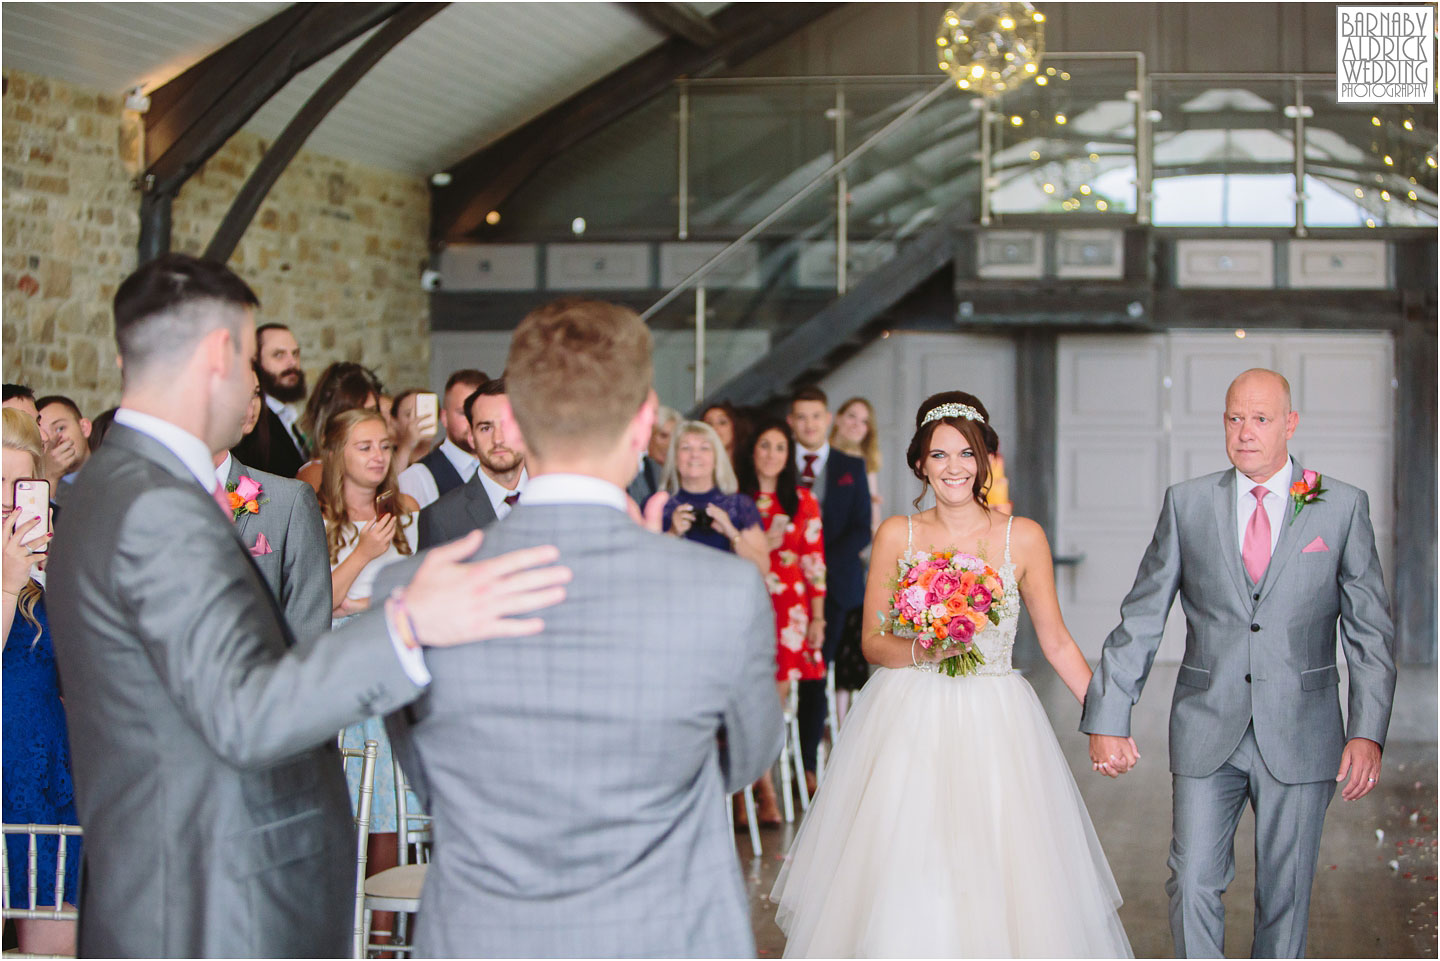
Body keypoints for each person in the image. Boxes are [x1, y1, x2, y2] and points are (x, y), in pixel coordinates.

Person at [45, 253, 572, 957]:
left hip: (188, 883)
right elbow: (244, 709)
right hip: (212, 902)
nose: (254, 383)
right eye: (250, 358)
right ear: (218, 353)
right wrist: (407, 621)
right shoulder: (153, 506)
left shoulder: (111, 486)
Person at [380, 298, 783, 958]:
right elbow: (745, 755)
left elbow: (427, 776)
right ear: (645, 419)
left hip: (486, 936)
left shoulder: (410, 592)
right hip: (663, 931)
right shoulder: (722, 588)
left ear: (512, 419)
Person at [770, 391, 1131, 957]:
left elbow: (1058, 643)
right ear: (920, 463)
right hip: (908, 716)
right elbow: (871, 643)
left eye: (966, 453)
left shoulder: (1024, 537)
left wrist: (1107, 720)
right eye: (939, 456)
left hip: (996, 718)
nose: (954, 468)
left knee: (996, 865)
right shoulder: (897, 534)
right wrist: (925, 650)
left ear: (987, 458)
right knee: (909, 861)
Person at [1081, 367, 1396, 958]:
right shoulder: (1189, 503)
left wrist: (1367, 733)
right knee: (1193, 878)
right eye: (1233, 418)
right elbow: (1143, 617)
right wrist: (1109, 715)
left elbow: (1369, 633)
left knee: (1287, 892)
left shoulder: (1340, 505)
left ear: (1290, 424)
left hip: (1304, 729)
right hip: (1207, 723)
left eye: (1260, 418)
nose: (1245, 432)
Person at [2, 408, 76, 958]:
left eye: (18, 483)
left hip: (43, 765)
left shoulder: (54, 547)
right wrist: (8, 587)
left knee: (52, 934)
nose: (7, 497)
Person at [737, 417, 826, 827]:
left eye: (779, 448)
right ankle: (753, 788)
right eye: (764, 446)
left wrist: (818, 618)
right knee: (744, 701)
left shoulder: (803, 501)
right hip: (746, 606)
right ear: (751, 452)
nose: (771, 455)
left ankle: (764, 785)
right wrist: (758, 545)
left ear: (788, 457)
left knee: (773, 706)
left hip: (790, 610)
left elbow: (814, 563)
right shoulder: (735, 499)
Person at [788, 386, 871, 794]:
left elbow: (861, 528)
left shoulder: (849, 466)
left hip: (835, 588)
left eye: (815, 416)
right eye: (800, 417)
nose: (808, 424)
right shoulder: (777, 462)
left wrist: (816, 563)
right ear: (791, 422)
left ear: (828, 418)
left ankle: (806, 765)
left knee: (814, 676)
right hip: (782, 589)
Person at [217, 370, 331, 644]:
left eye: (255, 394)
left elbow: (309, 630)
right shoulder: (152, 496)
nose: (249, 405)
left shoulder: (289, 501)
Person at [319, 408, 420, 618]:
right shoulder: (317, 515)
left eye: (385, 446)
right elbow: (318, 604)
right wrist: (363, 553)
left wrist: (359, 605)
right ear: (336, 454)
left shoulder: (407, 508)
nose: (379, 456)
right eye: (365, 448)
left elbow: (420, 586)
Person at [418, 378, 528, 549]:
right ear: (471, 436)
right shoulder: (441, 518)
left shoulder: (556, 499)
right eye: (486, 428)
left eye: (508, 425)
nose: (498, 439)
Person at [660, 420, 769, 576]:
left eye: (704, 448)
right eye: (686, 448)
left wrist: (731, 532)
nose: (695, 454)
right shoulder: (658, 505)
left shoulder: (739, 505)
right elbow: (641, 568)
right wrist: (672, 533)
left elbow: (763, 569)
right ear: (675, 458)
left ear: (717, 460)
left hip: (727, 597)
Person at [398, 368, 487, 510]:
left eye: (480, 411)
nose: (473, 421)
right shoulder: (416, 478)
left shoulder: (509, 467)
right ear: (444, 418)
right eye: (464, 413)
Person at [294, 361, 385, 491]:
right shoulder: (315, 474)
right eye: (357, 414)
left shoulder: (376, 464)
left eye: (372, 411)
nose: (367, 421)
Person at [233, 322, 308, 477]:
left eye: (295, 354)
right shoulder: (251, 420)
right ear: (256, 360)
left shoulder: (288, 413)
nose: (292, 362)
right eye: (279, 355)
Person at [829, 396, 883, 532]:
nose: (857, 425)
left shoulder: (866, 463)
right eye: (852, 416)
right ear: (837, 418)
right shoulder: (820, 454)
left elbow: (873, 520)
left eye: (864, 421)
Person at [35, 395, 92, 494]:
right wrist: (50, 478)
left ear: (84, 428)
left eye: (60, 428)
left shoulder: (114, 474)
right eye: (44, 435)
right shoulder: (35, 487)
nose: (53, 440)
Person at [390, 388, 441, 472]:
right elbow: (392, 483)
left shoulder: (445, 455)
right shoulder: (385, 457)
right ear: (394, 422)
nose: (418, 419)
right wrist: (406, 447)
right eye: (409, 414)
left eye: (425, 413)